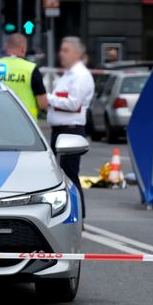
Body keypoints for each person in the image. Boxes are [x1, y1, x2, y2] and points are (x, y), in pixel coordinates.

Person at [48, 36, 95, 215]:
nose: (61, 54)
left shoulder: (81, 76)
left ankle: (77, 216)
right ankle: (68, 214)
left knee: (69, 176)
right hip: (61, 132)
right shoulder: (68, 75)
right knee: (61, 176)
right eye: (61, 49)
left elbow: (74, 104)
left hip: (70, 132)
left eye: (65, 50)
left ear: (77, 53)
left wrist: (49, 99)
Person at [0, 33, 48, 119]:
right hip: (25, 124)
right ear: (23, 49)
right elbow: (43, 104)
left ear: (6, 47)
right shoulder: (31, 69)